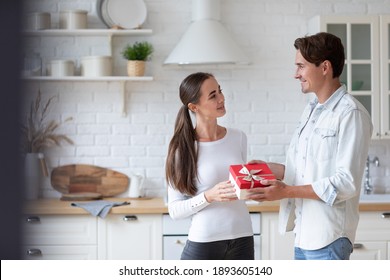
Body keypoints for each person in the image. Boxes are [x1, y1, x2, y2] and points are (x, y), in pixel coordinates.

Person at [247, 32, 373, 260]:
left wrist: (286, 191)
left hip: (330, 238)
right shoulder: (312, 110)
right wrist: (270, 169)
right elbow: (308, 169)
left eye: (301, 66)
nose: (296, 74)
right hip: (304, 234)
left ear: (324, 67)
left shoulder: (350, 114)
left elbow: (346, 182)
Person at [165, 72, 254, 260]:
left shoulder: (238, 138)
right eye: (213, 95)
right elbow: (175, 210)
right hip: (205, 242)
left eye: (219, 91)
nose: (221, 98)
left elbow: (240, 190)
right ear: (194, 106)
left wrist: (256, 183)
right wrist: (208, 196)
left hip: (243, 237)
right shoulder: (182, 148)